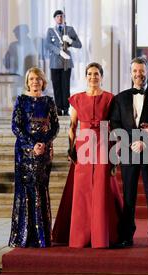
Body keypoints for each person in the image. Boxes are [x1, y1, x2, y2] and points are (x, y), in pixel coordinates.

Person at [52, 63, 123, 249]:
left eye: (97, 74)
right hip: (83, 145)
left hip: (102, 144)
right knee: (82, 191)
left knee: (100, 189)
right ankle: (79, 237)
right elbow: (73, 126)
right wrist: (70, 149)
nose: (93, 77)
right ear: (86, 77)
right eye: (90, 74)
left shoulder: (109, 98)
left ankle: (100, 236)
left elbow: (115, 128)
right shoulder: (77, 99)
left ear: (102, 76)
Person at [109, 57, 148, 250]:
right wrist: (130, 142)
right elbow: (115, 124)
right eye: (135, 71)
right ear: (131, 72)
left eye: (142, 71)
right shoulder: (120, 97)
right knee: (129, 196)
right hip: (128, 151)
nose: (138, 74)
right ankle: (126, 236)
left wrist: (144, 141)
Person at [8, 67, 59, 248]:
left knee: (40, 189)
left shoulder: (49, 101)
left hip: (44, 152)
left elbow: (55, 127)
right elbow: (16, 126)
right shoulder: (21, 100)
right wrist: (32, 144)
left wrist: (43, 143)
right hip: (24, 152)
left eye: (38, 79)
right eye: (31, 79)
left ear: (43, 81)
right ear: (27, 82)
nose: (35, 82)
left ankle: (42, 236)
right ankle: (24, 236)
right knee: (26, 190)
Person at [45, 10, 82, 116]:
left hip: (66, 62)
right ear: (55, 18)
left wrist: (70, 41)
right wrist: (59, 51)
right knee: (56, 86)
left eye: (61, 16)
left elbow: (79, 44)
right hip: (55, 62)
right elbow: (47, 45)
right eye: (57, 16)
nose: (60, 18)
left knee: (66, 86)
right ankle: (58, 107)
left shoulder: (69, 29)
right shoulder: (51, 31)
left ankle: (66, 108)